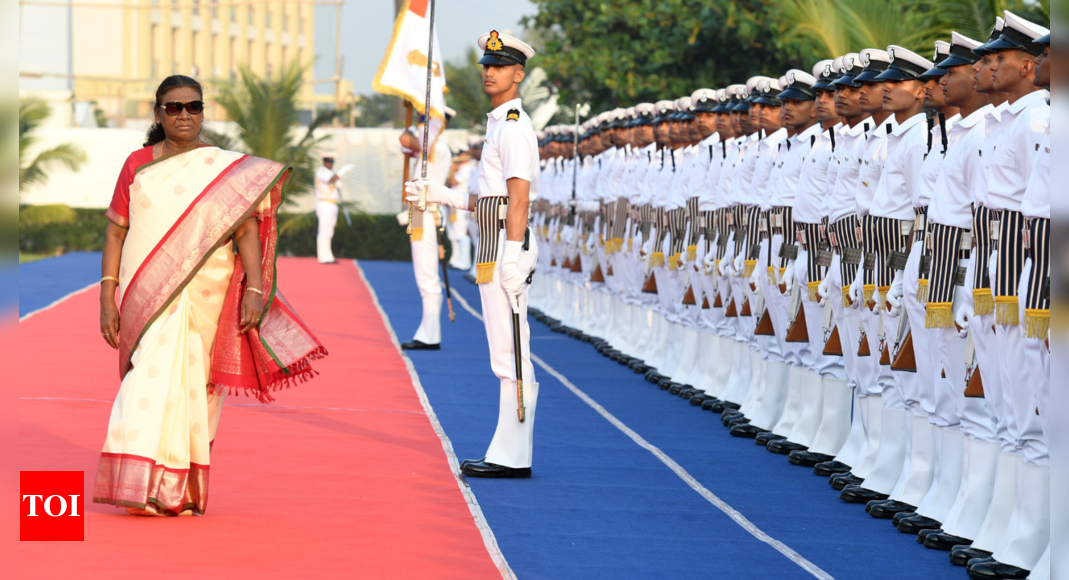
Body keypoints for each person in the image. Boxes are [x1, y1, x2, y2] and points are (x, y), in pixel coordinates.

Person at [96, 75, 326, 517]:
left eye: (193, 106)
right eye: (173, 107)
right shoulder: (138, 164)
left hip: (209, 295)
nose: (184, 115)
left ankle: (174, 490)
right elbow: (116, 230)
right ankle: (138, 482)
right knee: (146, 380)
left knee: (197, 391)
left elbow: (247, 231)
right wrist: (107, 295)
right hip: (147, 298)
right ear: (158, 113)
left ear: (203, 110)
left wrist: (255, 289)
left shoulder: (226, 168)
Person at [406, 30, 540, 478]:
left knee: (513, 350)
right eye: (486, 65)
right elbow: (488, 197)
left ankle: (514, 452)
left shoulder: (516, 125)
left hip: (506, 243)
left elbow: (518, 199)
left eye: (499, 66)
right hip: (492, 241)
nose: (489, 72)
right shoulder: (498, 122)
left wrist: (516, 255)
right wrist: (440, 193)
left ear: (518, 74)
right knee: (502, 350)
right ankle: (508, 448)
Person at [398, 107, 454, 351]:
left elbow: (405, 139)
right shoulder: (429, 148)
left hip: (427, 212)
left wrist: (413, 125)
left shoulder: (437, 148)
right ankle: (427, 332)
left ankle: (430, 335)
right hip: (419, 212)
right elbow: (404, 144)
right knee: (423, 276)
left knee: (427, 277)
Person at [314, 154, 340, 264]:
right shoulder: (321, 172)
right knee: (324, 230)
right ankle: (322, 256)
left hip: (333, 204)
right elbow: (330, 180)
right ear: (324, 162)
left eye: (332, 162)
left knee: (329, 231)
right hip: (324, 204)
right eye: (329, 162)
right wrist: (342, 171)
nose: (330, 164)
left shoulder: (331, 173)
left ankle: (328, 255)